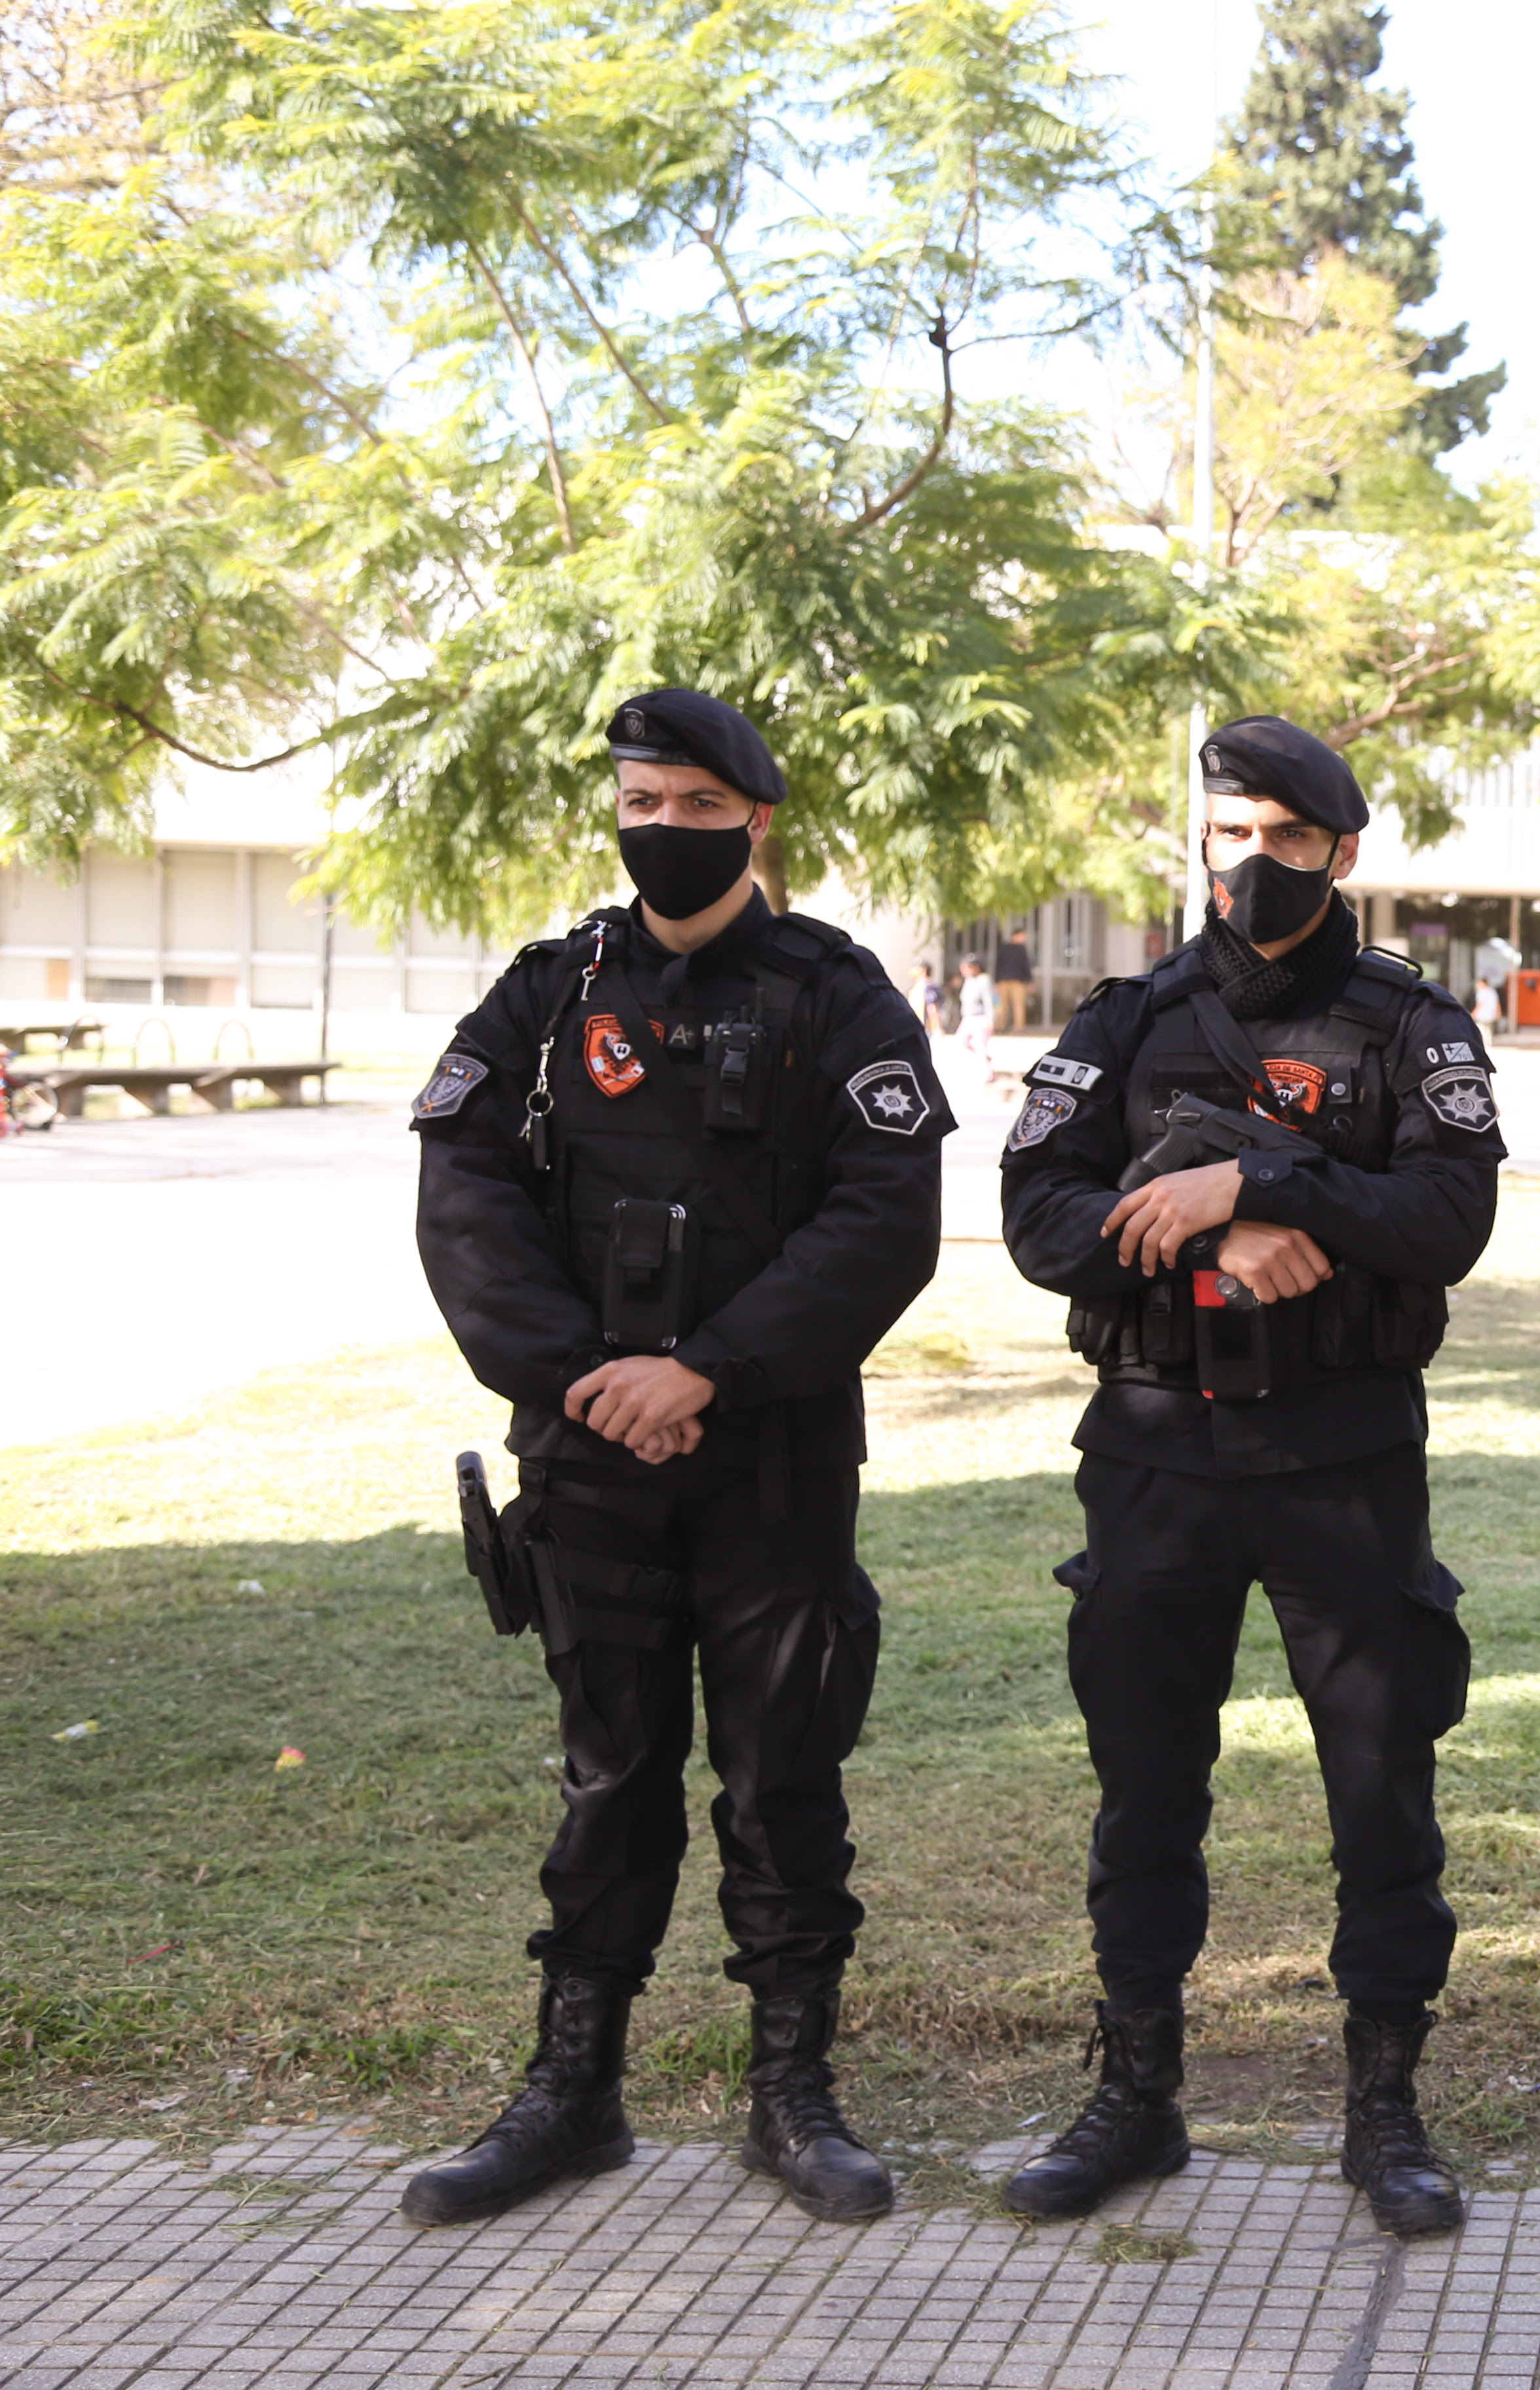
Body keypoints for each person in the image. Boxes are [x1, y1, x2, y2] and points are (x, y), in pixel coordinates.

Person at [403, 687, 951, 2228]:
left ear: (756, 820)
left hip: (771, 1460)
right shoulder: (548, 993)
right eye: (640, 805)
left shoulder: (838, 999)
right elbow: (465, 1201)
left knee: (785, 1781)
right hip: (591, 1459)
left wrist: (702, 1367)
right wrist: (587, 1380)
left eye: (698, 808)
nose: (664, 831)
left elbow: (881, 1222)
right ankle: (572, 2093)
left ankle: (794, 2096)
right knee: (610, 1777)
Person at [996, 715, 1500, 2238]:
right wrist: (1213, 1222)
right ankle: (1135, 2097)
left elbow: (1448, 1222)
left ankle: (1385, 2108)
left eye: (1288, 838)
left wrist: (1268, 1179)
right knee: (1145, 1788)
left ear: (1339, 853)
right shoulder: (1126, 1021)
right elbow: (1038, 1221)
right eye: (1232, 833)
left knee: (1379, 1787)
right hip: (1155, 1453)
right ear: (1201, 842)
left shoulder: (1410, 1025)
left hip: (1343, 1456)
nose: (1256, 861)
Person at [994, 930, 1036, 1033]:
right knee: (1012, 1005)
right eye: (1022, 936)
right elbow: (1026, 966)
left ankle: (1013, 1027)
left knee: (1012, 1005)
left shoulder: (1007, 948)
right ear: (1015, 936)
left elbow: (998, 965)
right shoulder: (1018, 949)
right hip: (1012, 981)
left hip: (1010, 980)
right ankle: (1007, 1026)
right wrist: (1030, 981)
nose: (1024, 939)